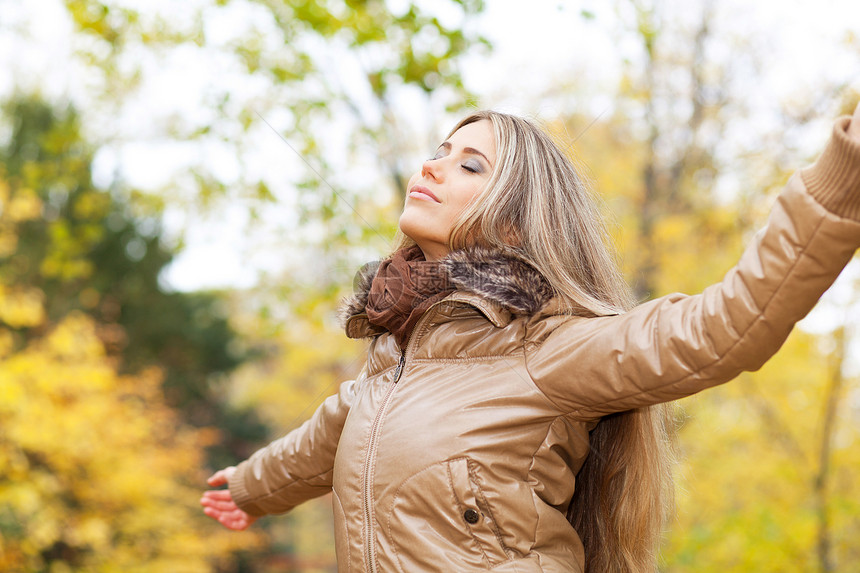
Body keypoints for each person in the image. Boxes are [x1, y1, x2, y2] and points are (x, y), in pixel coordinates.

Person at [202, 104, 860, 573]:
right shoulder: (387, 371)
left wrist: (836, 186)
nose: (431, 168)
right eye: (437, 153)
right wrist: (247, 489)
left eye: (468, 164)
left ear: (514, 227)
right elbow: (311, 448)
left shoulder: (548, 355)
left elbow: (726, 327)